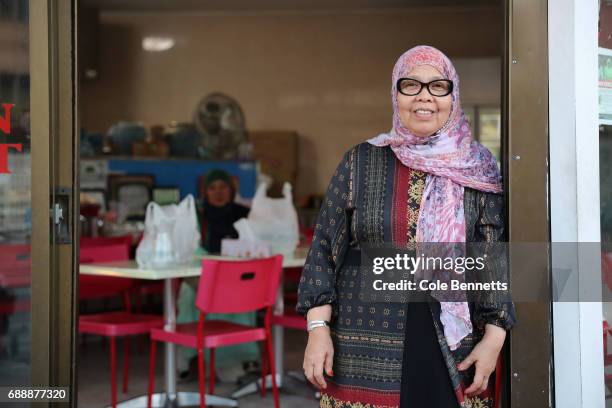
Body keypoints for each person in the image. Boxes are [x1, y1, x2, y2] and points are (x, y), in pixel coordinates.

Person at [296, 45, 516, 408]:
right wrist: (317, 330)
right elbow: (323, 250)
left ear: (453, 94)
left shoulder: (478, 168)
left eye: (437, 86)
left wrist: (493, 339)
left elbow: (492, 257)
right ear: (395, 95)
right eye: (410, 85)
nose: (424, 97)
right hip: (364, 342)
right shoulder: (360, 161)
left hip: (453, 341)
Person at [177, 169, 257, 381]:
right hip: (202, 276)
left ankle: (239, 358)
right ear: (205, 192)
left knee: (243, 294)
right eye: (212, 188)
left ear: (231, 190)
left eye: (223, 187)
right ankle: (193, 356)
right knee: (188, 294)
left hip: (237, 275)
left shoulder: (245, 214)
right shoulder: (197, 216)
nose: (218, 193)